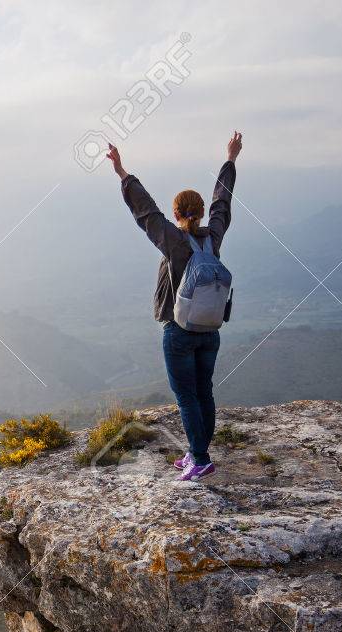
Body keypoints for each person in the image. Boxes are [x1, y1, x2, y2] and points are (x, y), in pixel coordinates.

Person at [107, 132, 242, 481]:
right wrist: (230, 159)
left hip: (178, 329)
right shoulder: (213, 237)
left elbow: (145, 212)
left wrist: (123, 173)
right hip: (210, 330)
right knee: (203, 392)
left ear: (177, 213)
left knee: (186, 396)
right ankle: (197, 451)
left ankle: (200, 458)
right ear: (199, 213)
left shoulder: (174, 242)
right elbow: (222, 204)